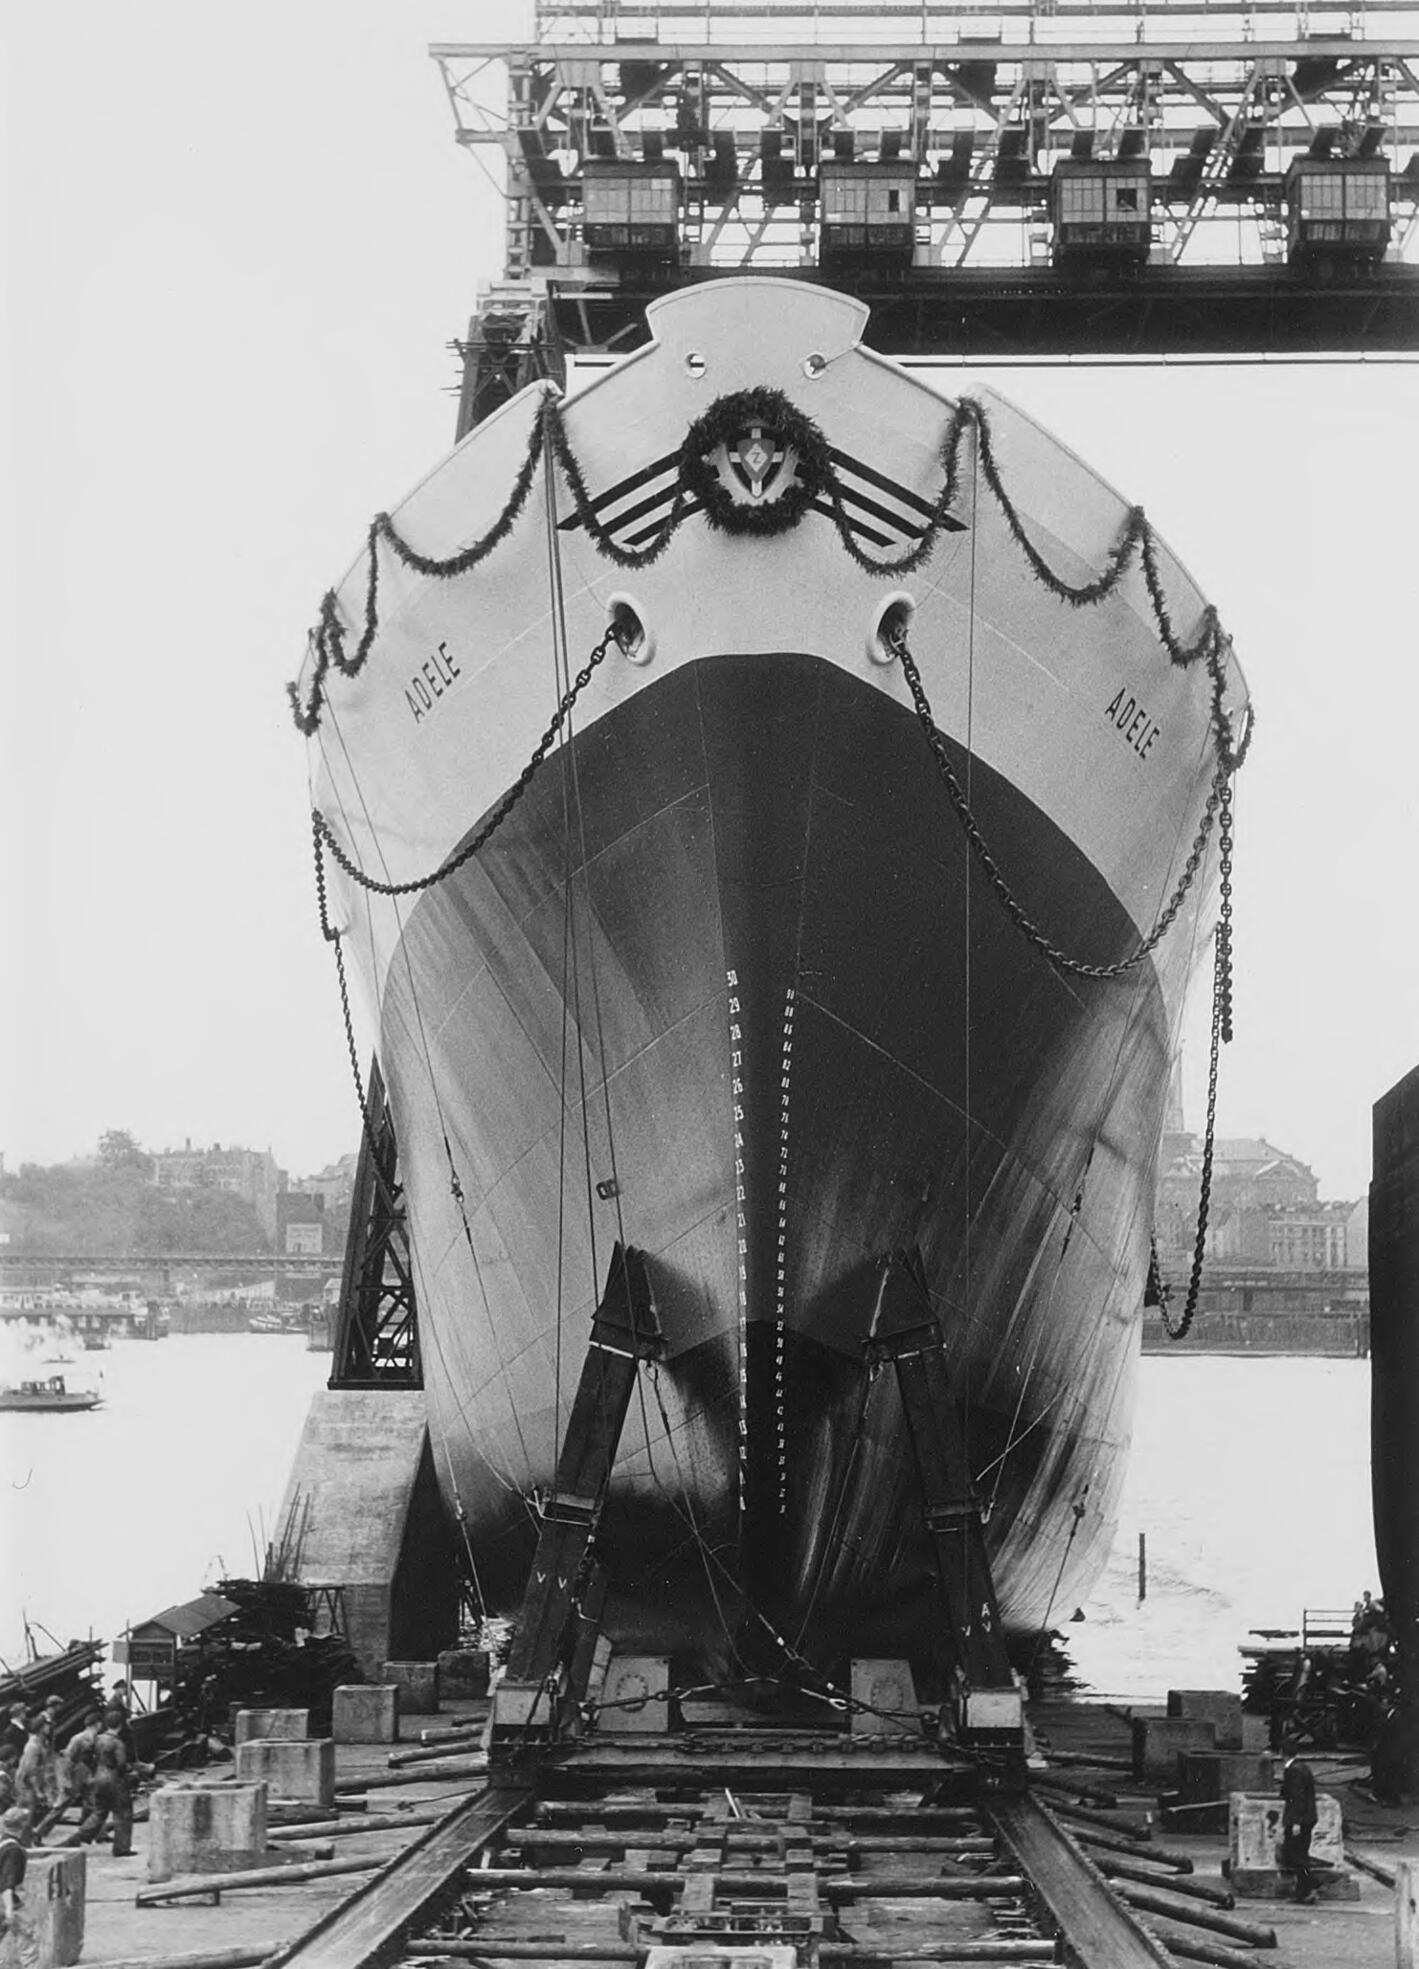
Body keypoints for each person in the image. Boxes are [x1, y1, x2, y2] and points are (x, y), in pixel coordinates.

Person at [77, 1723, 132, 1858]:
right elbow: (121, 1764)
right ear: (120, 1725)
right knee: (122, 1813)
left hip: (98, 1777)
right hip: (114, 1780)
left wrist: (94, 1767)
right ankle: (121, 1848)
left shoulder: (97, 1739)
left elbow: (85, 1755)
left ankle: (78, 1837)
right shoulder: (117, 1743)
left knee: (99, 1812)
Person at [1280, 1742, 1320, 1904]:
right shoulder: (1303, 1767)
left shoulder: (1293, 1771)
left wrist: (1295, 1822)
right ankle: (1306, 1887)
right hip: (1308, 1818)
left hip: (1299, 1819)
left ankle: (1307, 1889)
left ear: (1282, 1753)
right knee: (1300, 1854)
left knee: (1297, 1855)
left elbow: (1297, 1797)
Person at [14, 1721, 56, 1826]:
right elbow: (31, 1769)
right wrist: (38, 1790)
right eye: (46, 1725)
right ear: (40, 1728)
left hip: (34, 1781)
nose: (49, 1728)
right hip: (27, 1783)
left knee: (29, 1813)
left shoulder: (41, 1743)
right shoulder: (33, 1746)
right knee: (26, 1813)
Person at [0, 1805, 29, 1950]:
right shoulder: (13, 1851)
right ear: (23, 1825)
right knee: (28, 1941)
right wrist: (9, 1910)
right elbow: (7, 1883)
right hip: (7, 1902)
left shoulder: (2, 1843)